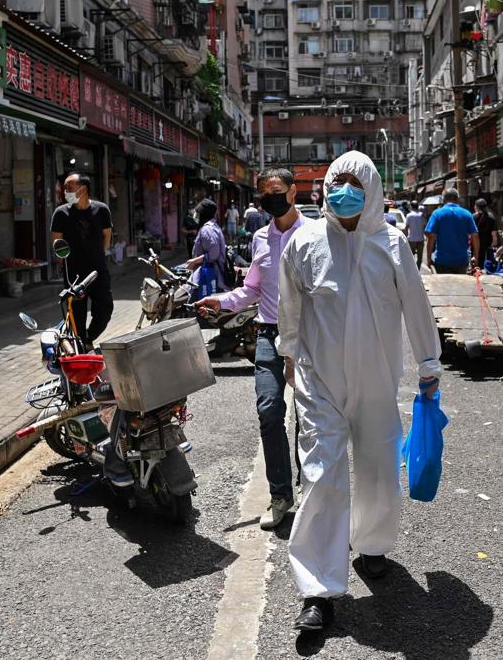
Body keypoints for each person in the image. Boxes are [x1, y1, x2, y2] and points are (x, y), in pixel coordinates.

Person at [277, 150, 442, 632]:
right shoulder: (304, 243)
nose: (343, 192)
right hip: (319, 379)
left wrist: (428, 361)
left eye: (354, 184)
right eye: (336, 183)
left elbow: (415, 301)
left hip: (376, 379)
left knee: (376, 467)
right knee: (321, 476)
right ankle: (318, 588)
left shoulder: (391, 243)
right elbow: (289, 306)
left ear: (370, 189)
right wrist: (289, 354)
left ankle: (370, 547)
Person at [196, 168, 302, 530]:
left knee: (311, 418)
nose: (270, 197)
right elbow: (252, 290)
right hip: (269, 334)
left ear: (292, 192)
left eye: (277, 190)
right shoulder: (260, 238)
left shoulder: (316, 234)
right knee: (269, 408)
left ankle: (315, 492)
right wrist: (221, 301)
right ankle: (280, 494)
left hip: (308, 337)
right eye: (264, 192)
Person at [50, 172, 113, 344]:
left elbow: (107, 235)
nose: (65, 191)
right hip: (74, 274)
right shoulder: (61, 213)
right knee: (77, 315)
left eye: (69, 187)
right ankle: (81, 345)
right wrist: (61, 257)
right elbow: (56, 241)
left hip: (98, 271)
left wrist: (101, 252)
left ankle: (89, 337)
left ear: (83, 189)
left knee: (105, 309)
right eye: (64, 188)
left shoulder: (101, 209)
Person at [425, 189, 479, 273]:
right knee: (460, 285)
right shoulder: (467, 213)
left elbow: (431, 237)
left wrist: (428, 258)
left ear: (443, 199)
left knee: (444, 285)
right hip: (461, 260)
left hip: (442, 261)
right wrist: (475, 256)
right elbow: (475, 236)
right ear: (457, 199)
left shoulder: (437, 213)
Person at [187, 198, 228, 295]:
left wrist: (194, 261)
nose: (196, 215)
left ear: (203, 214)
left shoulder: (207, 229)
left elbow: (213, 254)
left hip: (209, 276)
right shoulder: (212, 226)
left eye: (198, 213)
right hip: (210, 275)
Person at [473, 198, 500, 271]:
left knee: (476, 259)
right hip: (487, 242)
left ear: (477, 207)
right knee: (485, 260)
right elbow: (493, 233)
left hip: (475, 242)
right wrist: (494, 242)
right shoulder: (491, 217)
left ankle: (476, 273)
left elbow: (470, 232)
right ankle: (484, 271)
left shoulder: (473, 217)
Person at [405, 200, 425, 267]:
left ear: (411, 206)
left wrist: (405, 237)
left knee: (410, 257)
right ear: (418, 207)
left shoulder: (409, 215)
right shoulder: (421, 215)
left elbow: (406, 227)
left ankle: (412, 271)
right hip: (420, 239)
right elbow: (425, 226)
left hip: (411, 239)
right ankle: (418, 270)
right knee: (420, 257)